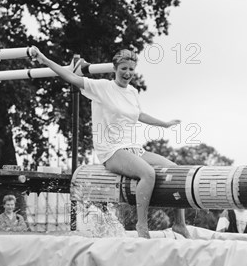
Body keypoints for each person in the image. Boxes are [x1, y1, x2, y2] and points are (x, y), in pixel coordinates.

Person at [43, 48, 190, 239]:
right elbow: (71, 78)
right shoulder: (102, 87)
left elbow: (140, 115)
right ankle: (142, 226)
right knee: (148, 174)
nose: (127, 73)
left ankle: (180, 224)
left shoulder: (132, 92)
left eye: (131, 69)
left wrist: (164, 123)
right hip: (111, 150)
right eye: (123, 69)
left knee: (175, 169)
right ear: (115, 68)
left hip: (134, 148)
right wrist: (44, 59)